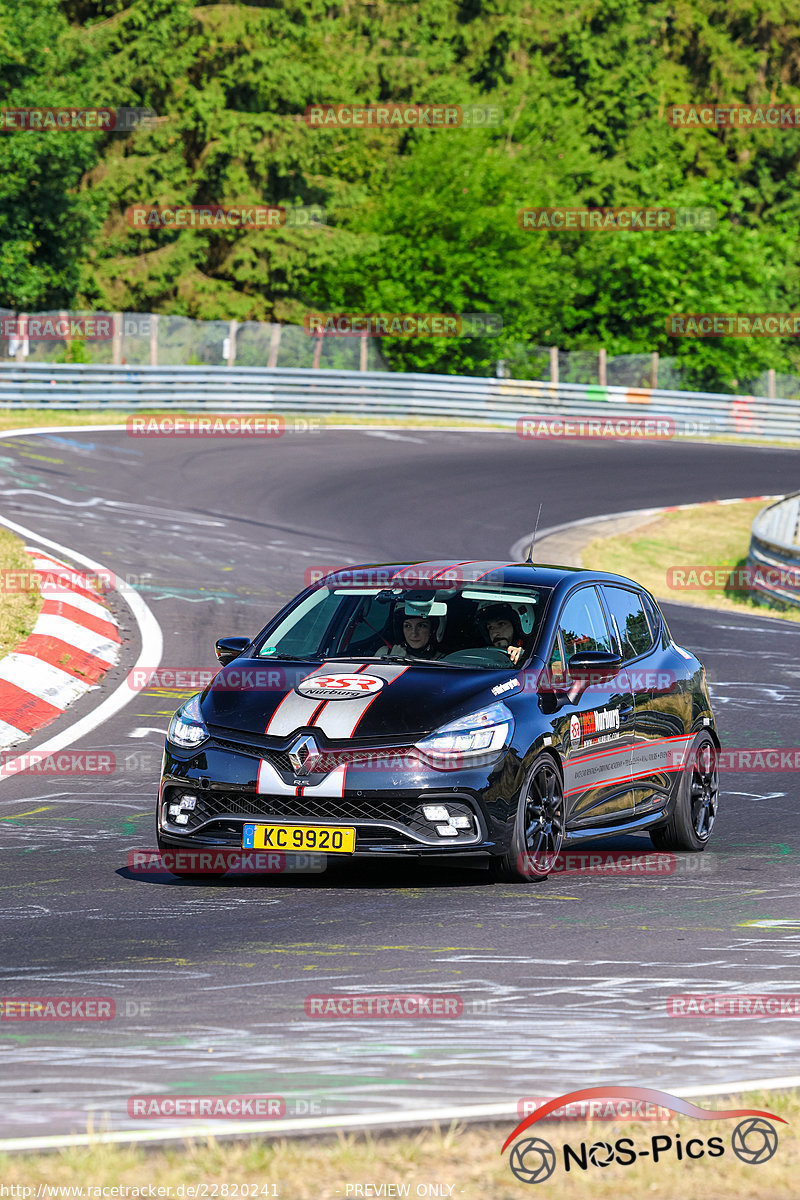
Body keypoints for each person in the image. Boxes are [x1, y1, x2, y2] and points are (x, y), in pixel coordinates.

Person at [376, 614, 441, 659]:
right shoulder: (384, 653)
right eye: (408, 626)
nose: (414, 634)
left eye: (422, 626)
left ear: (432, 630)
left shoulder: (444, 660)